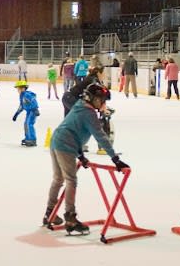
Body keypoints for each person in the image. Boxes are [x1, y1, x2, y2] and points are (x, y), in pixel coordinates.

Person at [45, 82, 128, 233]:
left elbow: (73, 130)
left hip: (57, 141)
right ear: (93, 98)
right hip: (65, 146)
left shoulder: (80, 105)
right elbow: (100, 136)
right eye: (101, 99)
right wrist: (115, 158)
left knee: (58, 179)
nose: (103, 103)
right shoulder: (88, 113)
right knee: (71, 180)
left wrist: (80, 155)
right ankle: (70, 218)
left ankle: (49, 212)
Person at [12, 79, 40, 147]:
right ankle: (28, 138)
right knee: (26, 124)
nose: (17, 90)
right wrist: (16, 114)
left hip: (33, 111)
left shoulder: (27, 95)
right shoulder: (22, 96)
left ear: (23, 88)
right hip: (29, 112)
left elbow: (33, 101)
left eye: (18, 88)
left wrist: (36, 109)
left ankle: (32, 139)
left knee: (29, 124)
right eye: (17, 88)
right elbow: (22, 106)